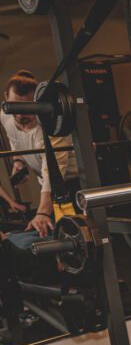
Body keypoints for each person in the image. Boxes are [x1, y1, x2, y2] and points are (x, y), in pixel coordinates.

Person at [1, 70, 80, 248]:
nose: (21, 114)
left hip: (73, 183)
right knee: (55, 236)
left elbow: (51, 172)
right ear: (6, 98)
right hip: (48, 186)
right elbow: (15, 141)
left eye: (28, 106)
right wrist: (18, 162)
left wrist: (43, 212)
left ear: (38, 101)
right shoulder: (5, 115)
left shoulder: (52, 128)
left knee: (82, 237)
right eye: (16, 106)